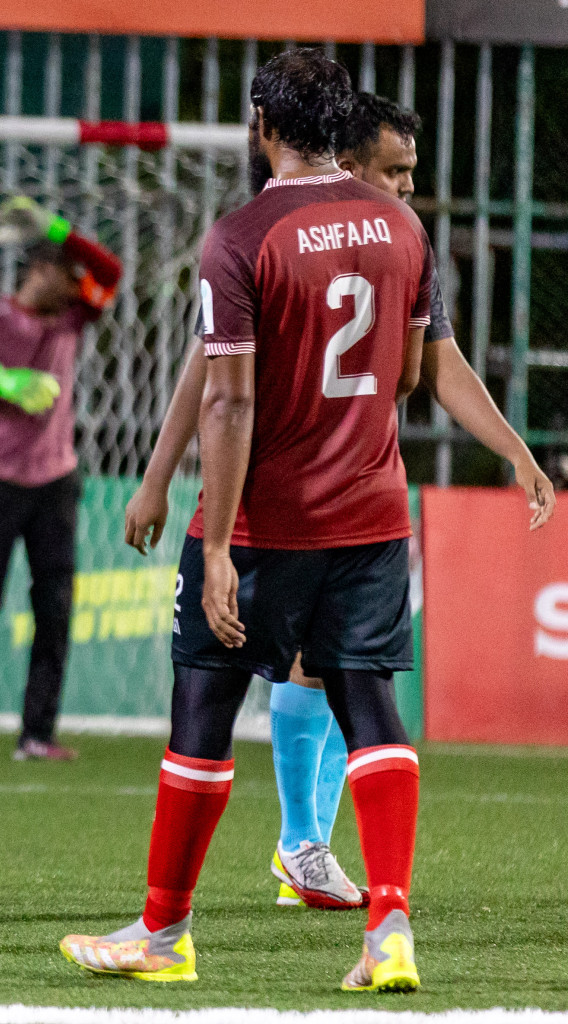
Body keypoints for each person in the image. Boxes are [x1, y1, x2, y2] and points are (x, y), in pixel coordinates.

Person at [122, 91, 556, 912]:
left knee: (278, 686)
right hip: (321, 506)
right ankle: (325, 863)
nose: (407, 189)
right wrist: (160, 477)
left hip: (306, 505)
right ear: (348, 162)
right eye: (395, 172)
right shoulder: (356, 235)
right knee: (328, 686)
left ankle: (195, 905)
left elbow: (415, 368)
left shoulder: (270, 235)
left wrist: (512, 448)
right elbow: (225, 380)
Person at [61, 48, 438, 991]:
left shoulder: (241, 236)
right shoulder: (402, 227)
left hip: (271, 523)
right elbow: (404, 380)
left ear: (263, 125)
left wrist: (219, 542)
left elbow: (229, 405)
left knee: (203, 710)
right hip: (374, 514)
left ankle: (163, 933)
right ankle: (389, 926)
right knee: (373, 708)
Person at [0, 200, 121, 761]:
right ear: (39, 271)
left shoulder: (75, 316)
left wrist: (58, 226)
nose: (77, 288)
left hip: (56, 480)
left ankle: (36, 734)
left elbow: (111, 273)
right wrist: (0, 377)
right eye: (67, 276)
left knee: (55, 606)